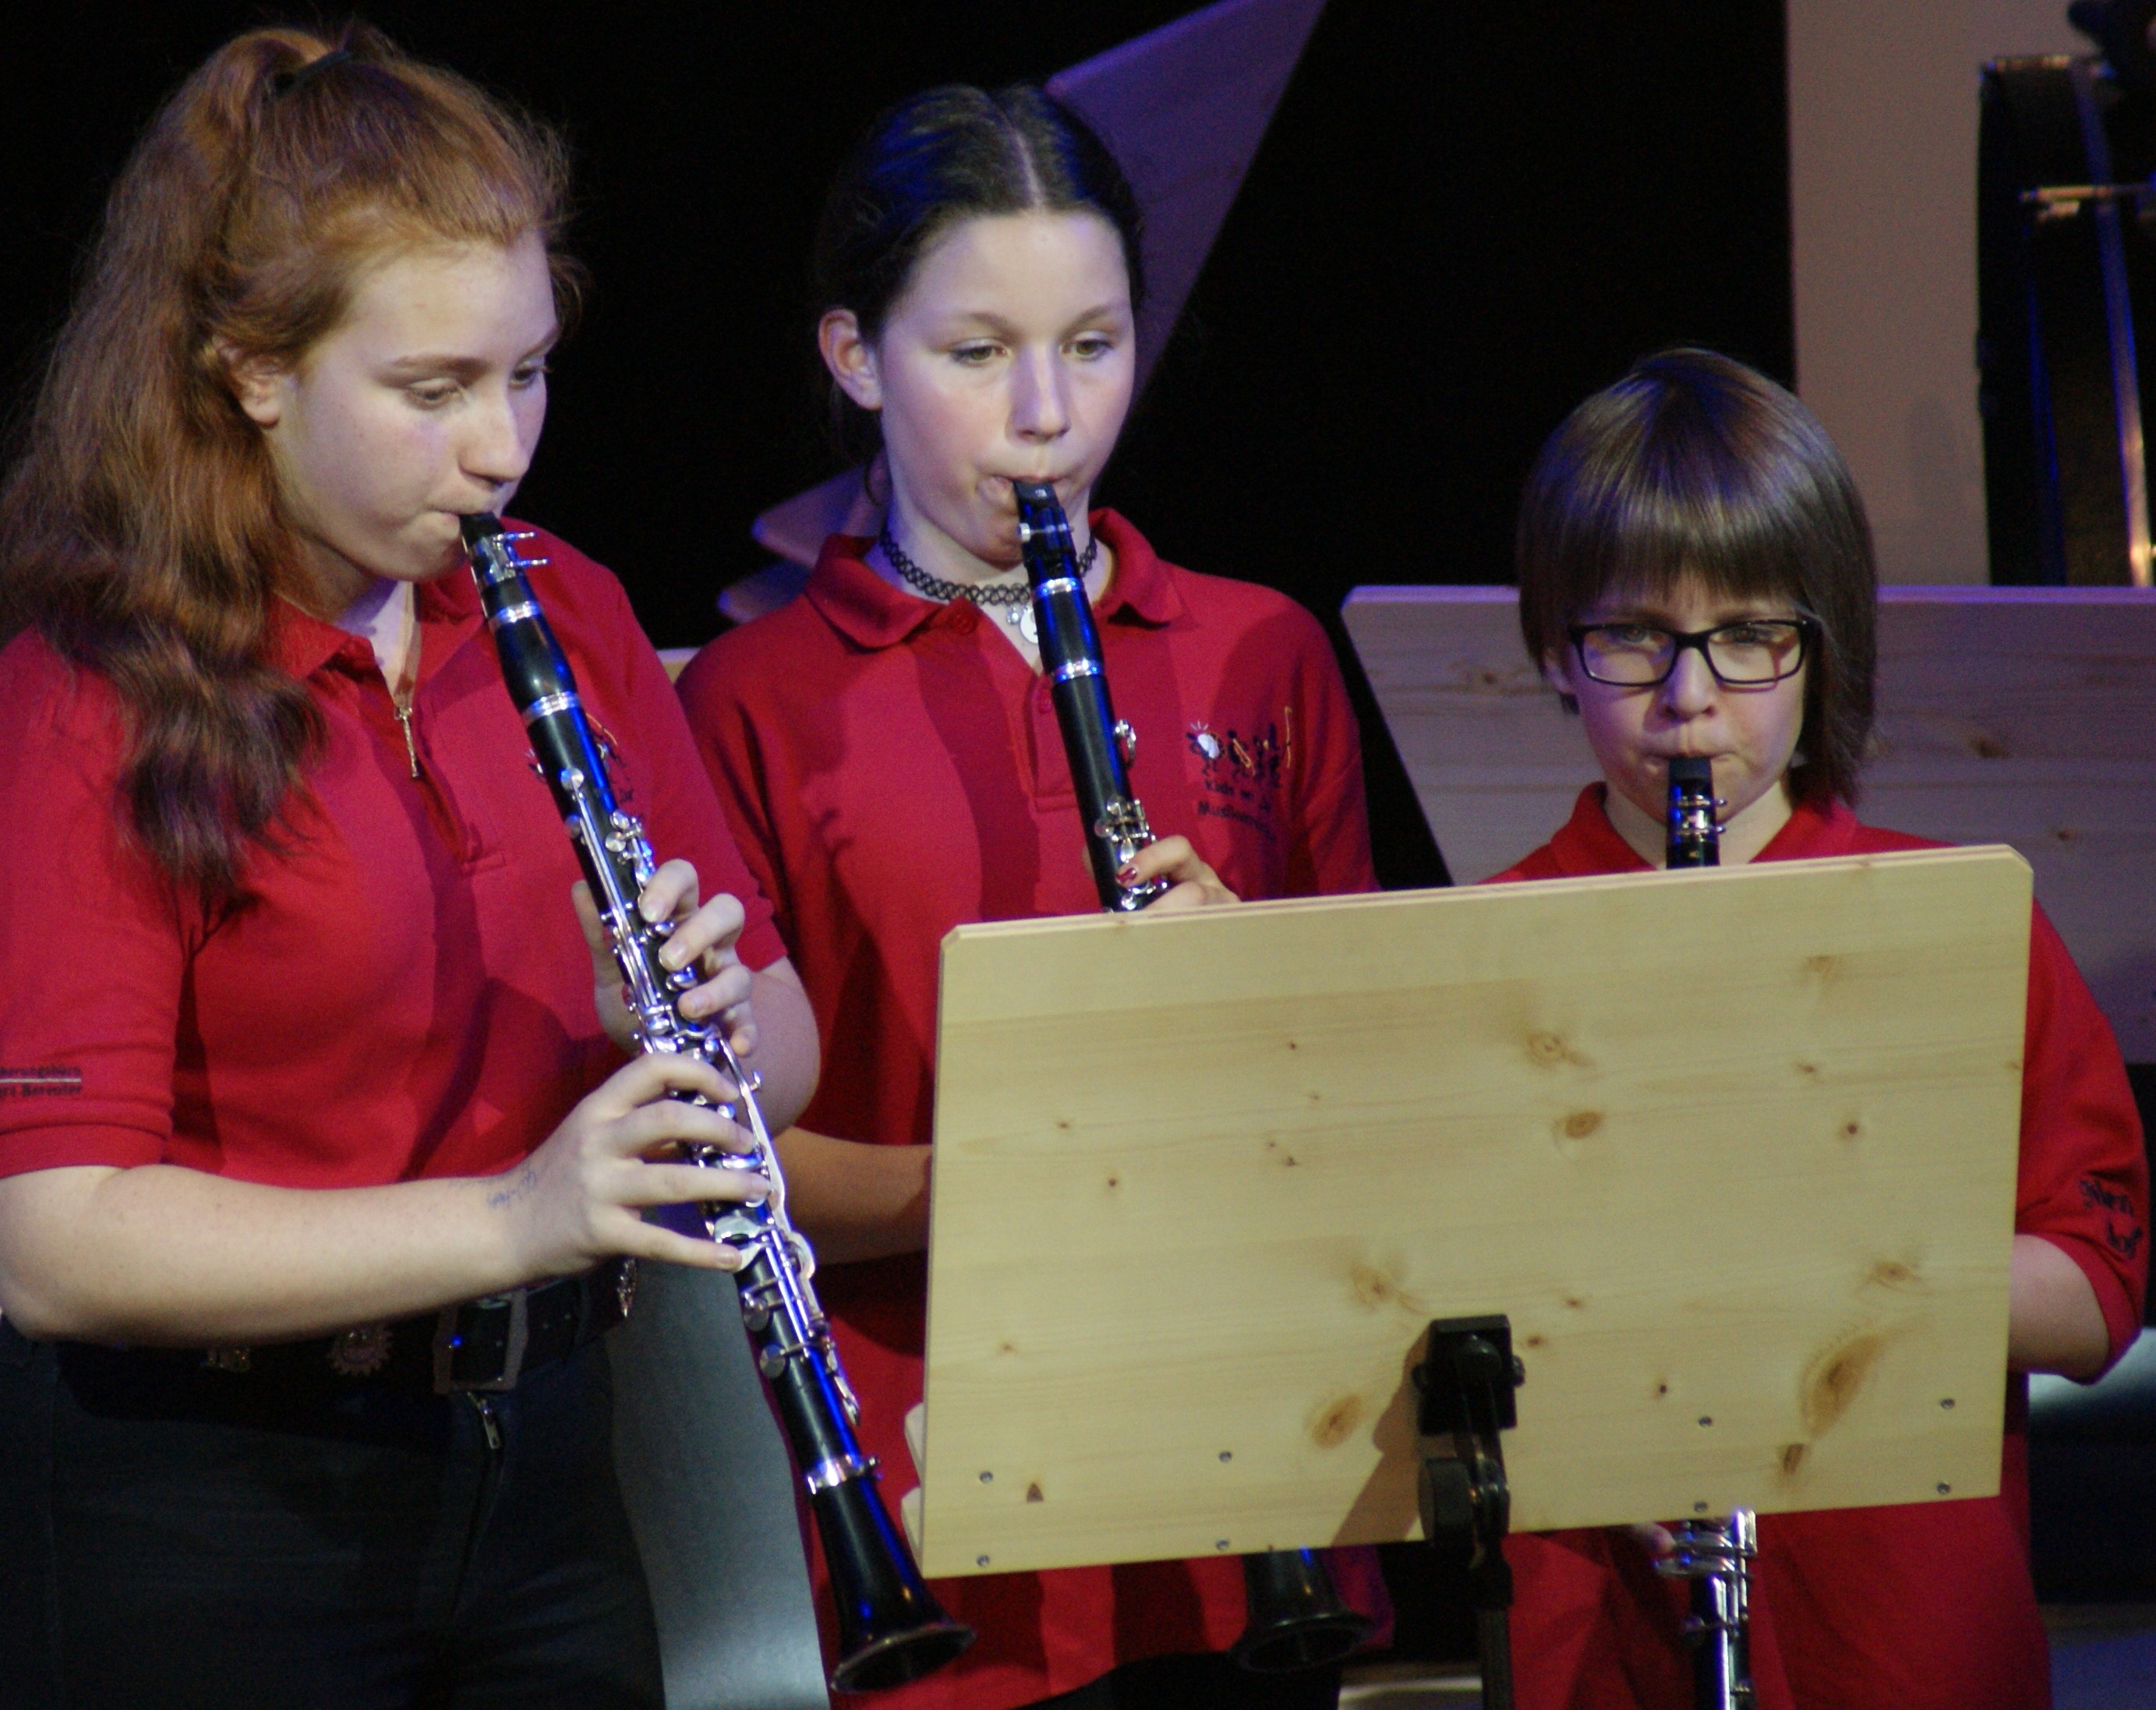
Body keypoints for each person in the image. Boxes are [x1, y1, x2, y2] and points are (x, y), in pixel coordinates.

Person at [0, 26, 819, 1710]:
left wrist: (684, 1030)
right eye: (433, 392)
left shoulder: (568, 609)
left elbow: (786, 1048)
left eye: (528, 372)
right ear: (253, 370)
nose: (501, 446)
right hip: (218, 1499)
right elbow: (54, 1242)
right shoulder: (97, 690)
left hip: (546, 1465)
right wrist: (516, 1214)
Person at [676, 83, 1385, 1710]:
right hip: (944, 1503)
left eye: (1094, 343)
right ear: (857, 356)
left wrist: (1264, 989)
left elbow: (1377, 1082)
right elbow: (735, 1163)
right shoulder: (752, 697)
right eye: (977, 352)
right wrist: (1027, 1181)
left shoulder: (1261, 649)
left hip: (1246, 1471)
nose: (1047, 414)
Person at [1491, 348, 2149, 1709]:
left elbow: (2094, 1294)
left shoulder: (1951, 925)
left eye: (1748, 636)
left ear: (1820, 643)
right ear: (1556, 648)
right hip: (1606, 1643)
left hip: (1904, 1634)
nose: (1689, 697)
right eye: (1632, 636)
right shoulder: (1483, 952)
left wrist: (1823, 1273)